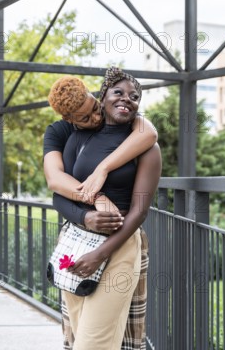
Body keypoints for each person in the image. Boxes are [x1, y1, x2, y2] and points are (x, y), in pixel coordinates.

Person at [43, 70, 158, 349]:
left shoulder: (142, 139)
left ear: (95, 97)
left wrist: (100, 253)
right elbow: (57, 188)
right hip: (77, 242)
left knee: (94, 343)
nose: (93, 118)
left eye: (134, 96)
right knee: (79, 334)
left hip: (117, 246)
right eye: (117, 93)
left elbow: (139, 211)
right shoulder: (71, 136)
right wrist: (91, 207)